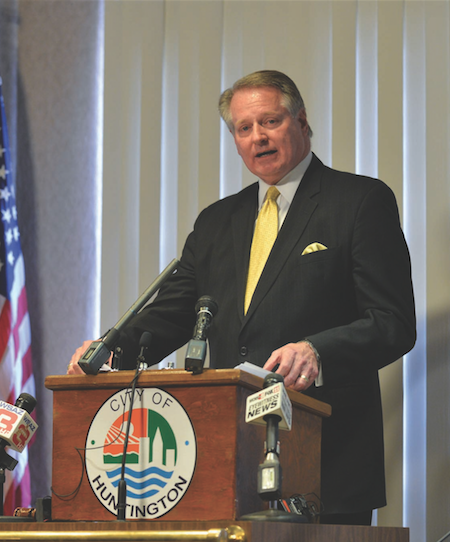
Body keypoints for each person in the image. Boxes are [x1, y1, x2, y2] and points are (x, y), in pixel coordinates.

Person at [67, 70, 416, 525]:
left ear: (302, 121)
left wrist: (316, 350)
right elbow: (173, 310)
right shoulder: (217, 221)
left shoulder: (359, 201)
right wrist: (110, 348)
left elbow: (392, 322)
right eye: (243, 128)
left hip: (325, 458)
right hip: (228, 460)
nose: (258, 138)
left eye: (269, 121)